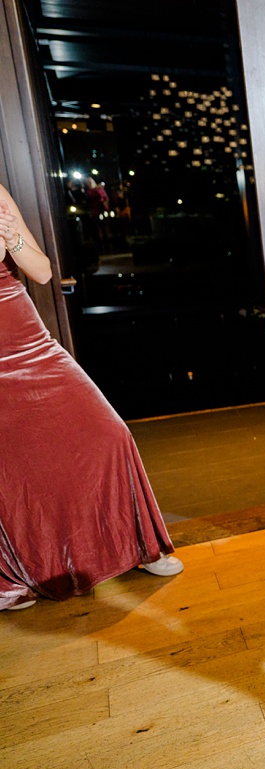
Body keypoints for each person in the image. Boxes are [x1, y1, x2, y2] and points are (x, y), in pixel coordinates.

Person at [0, 184, 183, 612]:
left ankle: (140, 546)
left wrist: (13, 239)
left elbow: (42, 272)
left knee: (107, 433)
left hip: (25, 337)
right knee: (11, 469)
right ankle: (20, 573)